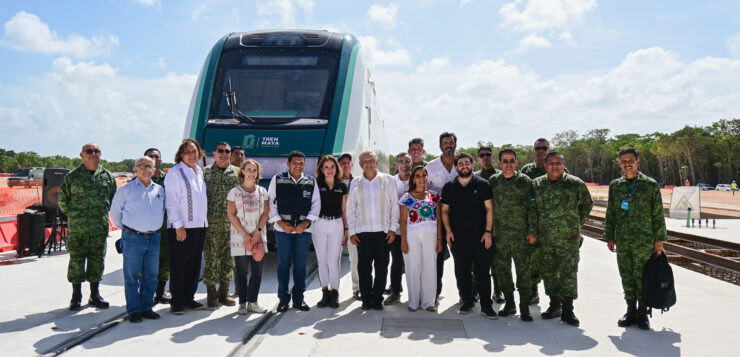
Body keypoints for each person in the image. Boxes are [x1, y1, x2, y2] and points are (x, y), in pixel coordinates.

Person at [605, 147, 667, 330]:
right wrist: (609, 235)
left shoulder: (650, 185)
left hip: (645, 241)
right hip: (623, 240)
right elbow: (611, 213)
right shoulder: (615, 186)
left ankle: (643, 313)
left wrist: (659, 240)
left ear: (637, 162)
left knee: (643, 277)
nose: (627, 164)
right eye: (623, 161)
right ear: (620, 164)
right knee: (627, 276)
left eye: (630, 160)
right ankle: (630, 310)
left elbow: (658, 214)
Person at [530, 151, 593, 326]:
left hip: (569, 238)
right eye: (551, 163)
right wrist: (534, 231)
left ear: (563, 165)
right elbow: (533, 210)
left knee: (568, 273)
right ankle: (554, 305)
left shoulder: (574, 183)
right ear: (545, 165)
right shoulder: (537, 184)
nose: (555, 166)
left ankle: (568, 310)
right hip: (546, 238)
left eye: (558, 163)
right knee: (549, 273)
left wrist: (576, 223)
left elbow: (587, 203)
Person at [59, 142, 117, 310]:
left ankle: (95, 294)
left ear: (101, 154)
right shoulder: (73, 177)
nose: (93, 153)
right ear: (82, 155)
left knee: (97, 261)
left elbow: (113, 200)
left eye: (96, 151)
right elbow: (63, 201)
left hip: (99, 229)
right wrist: (75, 216)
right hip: (78, 229)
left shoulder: (107, 177)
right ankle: (76, 296)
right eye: (89, 151)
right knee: (76, 262)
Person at [441, 152, 497, 319]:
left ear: (472, 166)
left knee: (482, 272)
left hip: (481, 237)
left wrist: (488, 232)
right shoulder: (449, 187)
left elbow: (489, 209)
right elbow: (444, 210)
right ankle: (467, 300)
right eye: (460, 163)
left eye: (467, 163)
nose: (464, 165)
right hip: (458, 238)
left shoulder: (483, 184)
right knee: (463, 271)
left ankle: (486, 305)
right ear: (456, 167)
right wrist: (448, 231)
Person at [110, 156, 165, 323]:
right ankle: (134, 310)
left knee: (151, 275)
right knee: (132, 276)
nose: (146, 169)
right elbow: (115, 213)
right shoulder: (125, 190)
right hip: (133, 238)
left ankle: (147, 307)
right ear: (135, 169)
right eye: (142, 166)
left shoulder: (160, 190)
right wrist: (129, 229)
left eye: (150, 166)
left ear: (154, 170)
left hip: (154, 237)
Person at [268, 150, 321, 312]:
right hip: (282, 230)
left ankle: (299, 299)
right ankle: (283, 299)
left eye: (301, 163)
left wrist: (304, 224)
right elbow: (270, 204)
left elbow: (316, 204)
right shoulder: (278, 179)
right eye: (295, 163)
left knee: (300, 266)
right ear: (288, 164)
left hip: (302, 232)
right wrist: (281, 223)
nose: (298, 166)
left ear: (304, 164)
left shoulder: (311, 181)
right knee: (283, 265)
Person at [347, 150, 400, 310]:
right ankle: (366, 299)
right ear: (361, 164)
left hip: (383, 233)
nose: (369, 163)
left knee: (382, 267)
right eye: (365, 161)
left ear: (377, 163)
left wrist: (392, 229)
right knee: (363, 268)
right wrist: (352, 232)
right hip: (362, 233)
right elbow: (350, 209)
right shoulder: (355, 182)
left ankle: (377, 299)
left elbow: (394, 206)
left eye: (372, 160)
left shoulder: (389, 180)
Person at [490, 148, 536, 321]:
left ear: (516, 163)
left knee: (523, 272)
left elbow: (532, 208)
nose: (508, 164)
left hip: (521, 236)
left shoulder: (525, 181)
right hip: (500, 236)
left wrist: (532, 231)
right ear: (499, 163)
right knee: (503, 272)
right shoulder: (494, 181)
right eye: (505, 161)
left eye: (511, 161)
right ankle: (510, 305)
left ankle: (525, 308)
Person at [165, 138, 209, 315]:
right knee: (178, 265)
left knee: (194, 264)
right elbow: (171, 203)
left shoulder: (199, 171)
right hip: (181, 227)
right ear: (181, 155)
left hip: (199, 225)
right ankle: (176, 301)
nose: (192, 155)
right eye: (188, 152)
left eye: (194, 151)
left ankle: (188, 298)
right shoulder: (175, 173)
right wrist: (178, 226)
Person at [227, 159, 269, 315]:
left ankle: (253, 302)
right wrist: (245, 234)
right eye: (249, 170)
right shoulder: (234, 192)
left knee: (257, 272)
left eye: (254, 170)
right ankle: (243, 303)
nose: (252, 173)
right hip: (240, 237)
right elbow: (231, 215)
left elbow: (266, 213)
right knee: (242, 272)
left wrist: (257, 231)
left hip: (258, 237)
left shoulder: (262, 192)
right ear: (242, 171)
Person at [399, 166, 442, 312]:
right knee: (413, 267)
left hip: (431, 235)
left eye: (424, 175)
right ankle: (413, 302)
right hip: (412, 236)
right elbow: (403, 221)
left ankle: (428, 302)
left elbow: (440, 218)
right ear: (413, 179)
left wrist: (440, 239)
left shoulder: (434, 196)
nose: (421, 178)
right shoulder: (406, 197)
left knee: (430, 267)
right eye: (418, 175)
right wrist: (403, 240)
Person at [203, 142, 241, 308]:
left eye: (227, 151)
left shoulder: (238, 173)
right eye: (221, 151)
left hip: (231, 226)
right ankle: (211, 295)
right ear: (214, 153)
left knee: (228, 262)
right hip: (210, 226)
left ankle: (224, 294)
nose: (224, 153)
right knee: (211, 261)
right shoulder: (204, 173)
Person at [520, 138, 556, 305]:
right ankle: (533, 290)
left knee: (551, 264)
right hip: (532, 223)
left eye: (544, 148)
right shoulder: (527, 170)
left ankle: (556, 299)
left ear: (549, 150)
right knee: (531, 261)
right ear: (533, 150)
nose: (541, 150)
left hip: (553, 225)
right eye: (537, 148)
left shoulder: (558, 168)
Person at [427, 132, 458, 304]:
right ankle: (435, 294)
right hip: (436, 219)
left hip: (459, 219)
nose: (448, 145)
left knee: (461, 259)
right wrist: (438, 202)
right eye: (445, 143)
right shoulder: (430, 167)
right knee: (437, 259)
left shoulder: (461, 164)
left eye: (451, 142)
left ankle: (465, 294)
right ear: (440, 146)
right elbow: (423, 191)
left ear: (455, 145)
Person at [313, 155, 348, 308]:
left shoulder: (342, 186)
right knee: (322, 260)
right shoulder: (316, 184)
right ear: (321, 169)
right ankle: (325, 292)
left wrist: (346, 228)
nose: (329, 170)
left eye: (332, 167)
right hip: (319, 224)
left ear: (336, 168)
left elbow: (344, 209)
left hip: (337, 225)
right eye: (326, 167)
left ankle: (335, 293)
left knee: (334, 261)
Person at [475, 145, 503, 304]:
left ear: (493, 157)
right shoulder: (474, 177)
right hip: (479, 224)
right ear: (478, 159)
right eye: (482, 155)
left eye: (488, 154)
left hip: (498, 225)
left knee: (497, 262)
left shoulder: (501, 176)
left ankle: (497, 291)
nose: (485, 157)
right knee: (477, 262)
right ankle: (476, 290)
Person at [384, 152, 412, 305]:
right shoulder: (390, 181)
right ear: (396, 165)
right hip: (396, 228)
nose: (404, 164)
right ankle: (395, 291)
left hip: (415, 229)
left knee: (414, 262)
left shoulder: (418, 180)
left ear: (411, 164)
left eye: (407, 161)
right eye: (401, 161)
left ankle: (417, 293)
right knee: (396, 261)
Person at [144, 148, 171, 305]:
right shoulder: (137, 180)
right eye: (150, 156)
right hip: (143, 231)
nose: (154, 159)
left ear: (161, 160)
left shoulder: (168, 180)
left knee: (164, 262)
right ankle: (145, 294)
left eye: (157, 157)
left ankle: (160, 293)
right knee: (145, 263)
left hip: (164, 229)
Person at [338, 153, 361, 300]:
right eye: (343, 163)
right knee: (334, 261)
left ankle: (357, 289)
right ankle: (333, 291)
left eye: (348, 163)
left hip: (353, 226)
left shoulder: (358, 182)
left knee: (355, 258)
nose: (346, 165)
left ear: (352, 165)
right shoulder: (334, 182)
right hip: (336, 225)